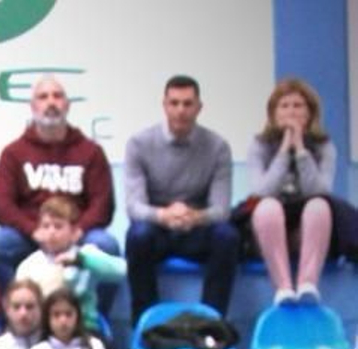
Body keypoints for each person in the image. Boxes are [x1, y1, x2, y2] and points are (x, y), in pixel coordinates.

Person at [0, 73, 118, 292]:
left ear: (67, 105)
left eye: (57, 96)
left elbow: (103, 204)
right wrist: (35, 230)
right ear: (32, 106)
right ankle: (16, 312)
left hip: (77, 235)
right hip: (32, 234)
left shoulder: (91, 152)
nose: (51, 102)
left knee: (106, 246)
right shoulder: (13, 153)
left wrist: (76, 231)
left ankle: (92, 319)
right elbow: (1, 206)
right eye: (43, 97)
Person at [123, 76, 240, 324]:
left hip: (196, 228)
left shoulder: (218, 147)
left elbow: (221, 209)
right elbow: (134, 207)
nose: (180, 111)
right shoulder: (138, 144)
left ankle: (213, 322)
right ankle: (145, 323)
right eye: (174, 103)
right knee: (137, 236)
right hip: (158, 229)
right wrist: (164, 215)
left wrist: (194, 216)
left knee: (227, 236)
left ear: (199, 107)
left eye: (188, 104)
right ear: (164, 105)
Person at [239, 77, 352, 303]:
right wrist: (283, 150)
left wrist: (300, 149)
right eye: (285, 106)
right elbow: (262, 191)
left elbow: (320, 189)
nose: (291, 112)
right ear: (274, 113)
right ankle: (283, 288)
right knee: (267, 207)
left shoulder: (324, 146)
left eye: (298, 106)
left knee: (318, 206)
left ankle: (307, 284)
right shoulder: (259, 145)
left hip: (308, 231)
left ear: (310, 113)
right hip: (269, 229)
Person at [15, 197, 126, 324]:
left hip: (84, 329)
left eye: (58, 226)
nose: (51, 232)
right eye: (46, 226)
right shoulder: (29, 265)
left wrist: (81, 261)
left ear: (74, 232)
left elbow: (121, 271)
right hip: (43, 330)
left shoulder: (86, 255)